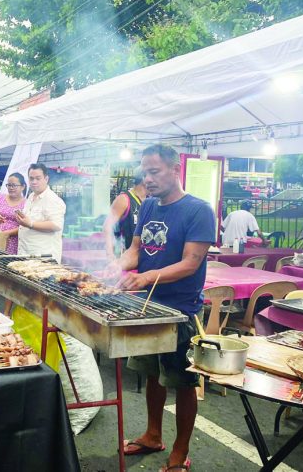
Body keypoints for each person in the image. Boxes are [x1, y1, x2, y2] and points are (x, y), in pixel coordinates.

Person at [110, 144, 215, 471]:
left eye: (154, 171)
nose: (148, 178)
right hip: (146, 309)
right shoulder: (149, 206)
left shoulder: (199, 210)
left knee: (183, 383)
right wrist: (115, 267)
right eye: (145, 172)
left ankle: (180, 452)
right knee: (152, 376)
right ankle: (153, 434)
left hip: (180, 311)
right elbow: (136, 250)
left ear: (175, 170)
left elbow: (189, 263)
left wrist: (148, 276)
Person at [16, 163, 66, 262]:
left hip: (43, 258)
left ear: (46, 179)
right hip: (26, 254)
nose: (34, 182)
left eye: (38, 178)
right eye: (31, 178)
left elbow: (56, 225)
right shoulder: (30, 196)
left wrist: (30, 224)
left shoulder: (53, 199)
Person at [103, 174, 148, 260]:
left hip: (143, 258)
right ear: (144, 179)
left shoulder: (150, 200)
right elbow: (107, 227)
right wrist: (110, 254)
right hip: (125, 257)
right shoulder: (124, 199)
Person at [0, 173, 27, 254]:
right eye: (9, 185)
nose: (11, 188)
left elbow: (25, 227)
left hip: (15, 242)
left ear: (23, 186)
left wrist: (7, 233)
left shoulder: (26, 204)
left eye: (14, 185)